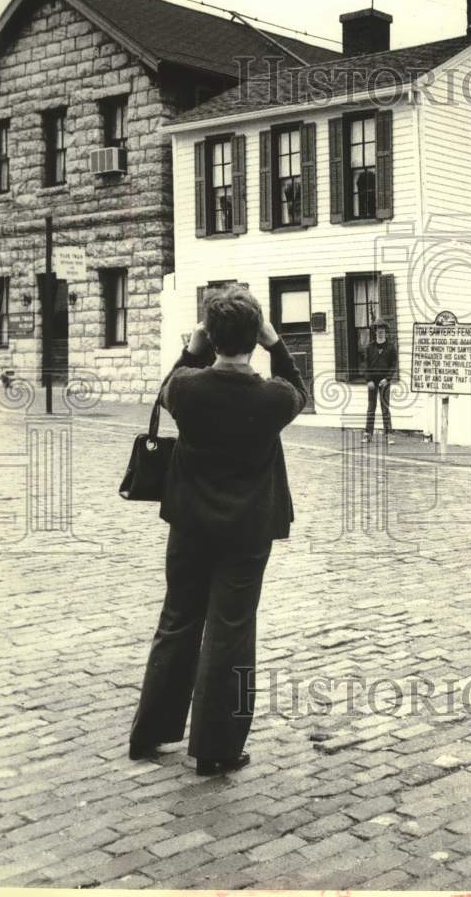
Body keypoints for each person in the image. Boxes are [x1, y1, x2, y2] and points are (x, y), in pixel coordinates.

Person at [129, 285, 307, 776]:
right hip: (248, 528)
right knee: (230, 629)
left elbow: (168, 385)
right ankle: (216, 746)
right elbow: (300, 390)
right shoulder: (273, 397)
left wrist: (193, 345)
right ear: (255, 336)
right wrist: (276, 344)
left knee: (178, 619)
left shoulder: (188, 388)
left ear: (211, 334)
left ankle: (150, 730)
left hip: (189, 523)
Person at [363, 318, 398, 444]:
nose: (380, 332)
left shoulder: (390, 347)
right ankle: (368, 434)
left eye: (383, 330)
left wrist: (387, 378)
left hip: (384, 381)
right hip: (372, 382)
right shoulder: (369, 348)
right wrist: (369, 380)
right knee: (371, 408)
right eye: (378, 330)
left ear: (386, 332)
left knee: (385, 408)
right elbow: (365, 365)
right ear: (375, 332)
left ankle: (388, 434)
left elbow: (394, 365)